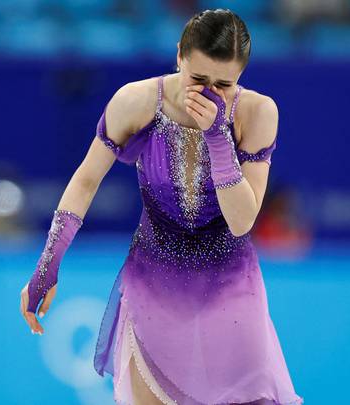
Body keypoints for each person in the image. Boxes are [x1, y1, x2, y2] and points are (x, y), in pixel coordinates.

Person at [20, 8, 304, 405]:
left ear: (241, 76)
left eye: (224, 84)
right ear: (179, 57)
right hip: (154, 285)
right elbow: (85, 181)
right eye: (198, 79)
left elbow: (241, 221)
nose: (209, 93)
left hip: (230, 289)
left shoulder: (257, 112)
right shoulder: (136, 101)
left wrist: (218, 137)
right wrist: (48, 265)